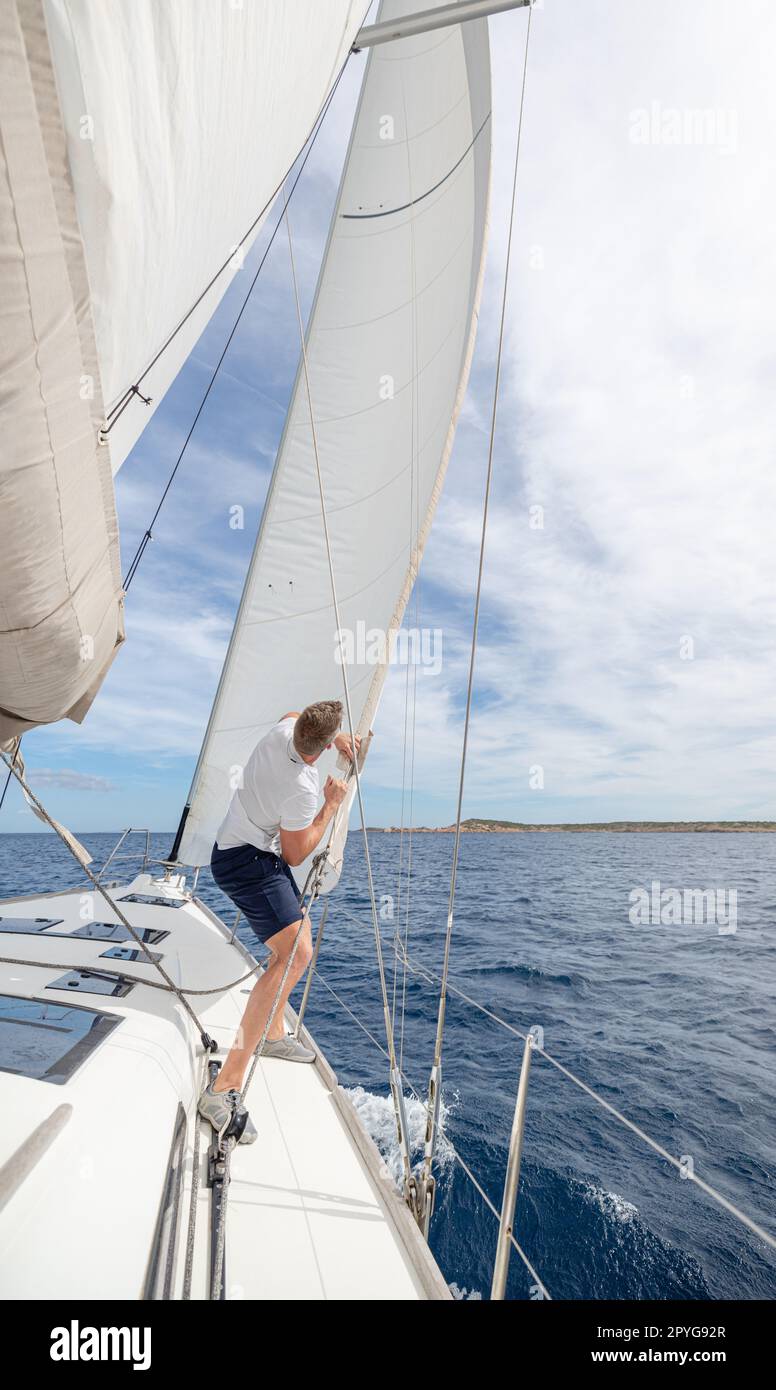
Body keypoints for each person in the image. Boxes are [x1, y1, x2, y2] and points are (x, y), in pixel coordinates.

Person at [198, 700, 359, 1143]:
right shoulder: (304, 788)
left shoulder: (282, 729)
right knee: (296, 953)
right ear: (322, 748)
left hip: (240, 848)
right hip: (246, 861)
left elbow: (292, 713)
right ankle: (224, 1086)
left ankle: (270, 1031)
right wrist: (329, 806)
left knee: (298, 940)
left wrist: (334, 738)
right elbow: (294, 854)